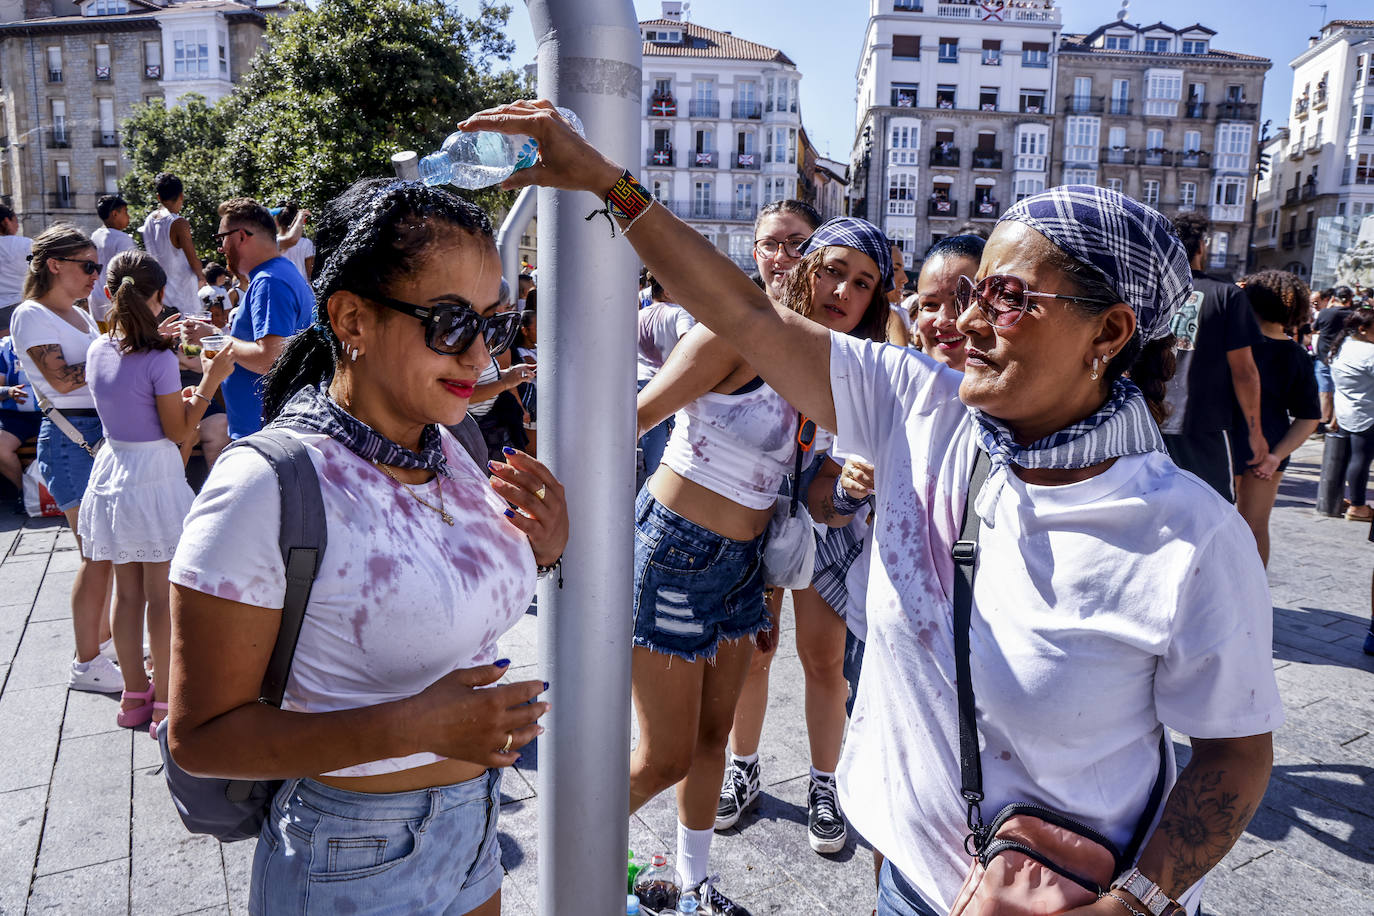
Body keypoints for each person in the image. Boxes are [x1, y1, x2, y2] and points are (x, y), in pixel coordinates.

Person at [469, 101, 1281, 916]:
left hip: (1073, 896)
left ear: (1108, 332)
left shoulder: (1191, 536)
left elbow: (1236, 752)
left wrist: (1134, 903)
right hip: (906, 884)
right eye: (968, 294)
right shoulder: (920, 408)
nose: (965, 322)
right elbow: (747, 315)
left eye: (1004, 298)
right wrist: (609, 184)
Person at [167, 179, 568, 916]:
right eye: (451, 322)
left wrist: (543, 550)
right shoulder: (263, 486)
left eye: (494, 323)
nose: (479, 354)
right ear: (352, 316)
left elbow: (435, 593)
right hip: (347, 853)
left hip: (473, 824)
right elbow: (201, 737)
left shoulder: (451, 444)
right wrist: (412, 727)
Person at [636, 212, 889, 912]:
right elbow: (633, 416)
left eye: (862, 281)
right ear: (805, 265)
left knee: (712, 738)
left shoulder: (837, 375)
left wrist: (843, 490)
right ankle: (578, 871)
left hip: (746, 563)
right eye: (833, 267)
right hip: (677, 551)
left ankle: (691, 887)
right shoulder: (736, 329)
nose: (843, 287)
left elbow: (816, 494)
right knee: (663, 756)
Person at [79, 250, 237, 733]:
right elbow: (177, 430)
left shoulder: (98, 348)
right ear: (160, 298)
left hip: (112, 471)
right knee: (161, 598)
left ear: (108, 293)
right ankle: (167, 702)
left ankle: (133, 697)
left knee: (125, 597)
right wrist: (209, 382)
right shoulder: (158, 362)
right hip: (153, 478)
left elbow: (130, 395)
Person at [715, 199, 821, 838]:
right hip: (753, 515)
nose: (782, 256)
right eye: (770, 244)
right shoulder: (735, 322)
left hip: (830, 515)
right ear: (752, 251)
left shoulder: (841, 320)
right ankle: (743, 767)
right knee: (757, 652)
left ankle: (825, 782)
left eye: (797, 243)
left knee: (823, 662)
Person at [8, 225, 120, 692]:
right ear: (55, 265)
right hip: (71, 439)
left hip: (96, 433)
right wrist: (129, 349)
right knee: (95, 555)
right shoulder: (32, 315)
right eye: (88, 266)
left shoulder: (77, 314)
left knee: (109, 553)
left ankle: (105, 644)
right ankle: (85, 662)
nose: (96, 274)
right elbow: (67, 380)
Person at [1161, 213, 1266, 501]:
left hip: (1149, 417)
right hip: (1203, 422)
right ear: (1201, 247)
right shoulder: (1226, 295)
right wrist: (1256, 432)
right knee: (1215, 509)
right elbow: (1244, 372)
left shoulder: (1153, 293)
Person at [1228, 271, 1320, 565]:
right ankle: (1251, 603)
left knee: (1211, 526)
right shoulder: (1296, 355)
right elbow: (1309, 418)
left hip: (1220, 440)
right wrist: (1275, 457)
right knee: (1254, 529)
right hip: (1268, 447)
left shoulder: (1229, 344)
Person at [215, 197, 315, 439]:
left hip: (263, 435)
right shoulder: (276, 274)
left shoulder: (269, 281)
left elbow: (269, 360)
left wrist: (215, 339)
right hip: (267, 430)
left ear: (241, 236)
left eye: (222, 238)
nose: (220, 248)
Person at [636, 271, 695, 488]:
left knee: (652, 456)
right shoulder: (679, 313)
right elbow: (690, 345)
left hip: (642, 386)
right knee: (684, 451)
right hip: (672, 386)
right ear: (668, 291)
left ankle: (649, 496)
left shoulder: (639, 315)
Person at [140, 172, 207, 314]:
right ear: (181, 196)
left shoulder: (149, 220)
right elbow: (193, 259)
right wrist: (201, 277)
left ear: (159, 197)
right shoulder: (178, 223)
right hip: (183, 295)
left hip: (159, 294)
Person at [1330, 308, 1374, 522]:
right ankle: (1357, 506)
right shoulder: (1368, 353)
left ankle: (1338, 499)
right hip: (1366, 413)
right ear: (1363, 329)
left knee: (1349, 458)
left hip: (1346, 409)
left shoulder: (1344, 345)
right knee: (1360, 459)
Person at [88, 194, 138, 328]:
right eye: (125, 212)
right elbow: (128, 271)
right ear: (115, 214)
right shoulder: (122, 239)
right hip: (115, 303)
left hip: (95, 300)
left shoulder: (95, 235)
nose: (129, 217)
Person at [0, 334, 39, 504]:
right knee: (1, 449)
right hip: (15, 416)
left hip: (54, 412)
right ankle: (24, 494)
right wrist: (8, 391)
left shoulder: (51, 342)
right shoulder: (4, 349)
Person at [1313, 286, 1354, 426]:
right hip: (1345, 358)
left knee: (1324, 392)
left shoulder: (1325, 313)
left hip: (1324, 357)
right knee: (1340, 392)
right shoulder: (1353, 315)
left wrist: (1329, 307)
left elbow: (1314, 328)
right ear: (1350, 299)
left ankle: (1322, 422)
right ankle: (1335, 423)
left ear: (1333, 298)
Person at [0, 204, 33, 334]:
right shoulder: (25, 244)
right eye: (16, 221)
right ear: (7, 221)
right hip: (21, 306)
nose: (18, 226)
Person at [274, 202, 315, 281]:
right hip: (302, 290)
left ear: (276, 222)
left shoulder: (271, 241)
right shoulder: (306, 243)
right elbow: (310, 274)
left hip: (279, 287)